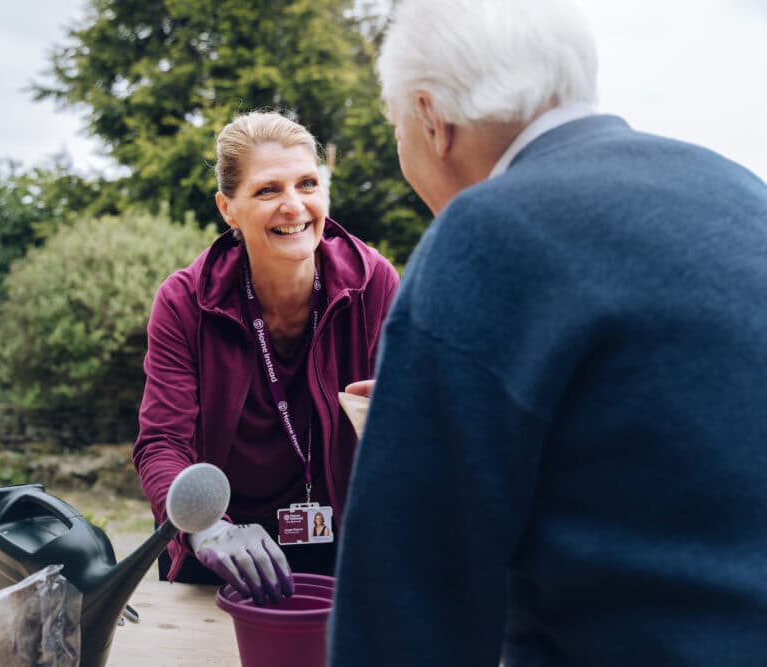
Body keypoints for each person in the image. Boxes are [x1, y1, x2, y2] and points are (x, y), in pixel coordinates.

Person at [329, 0, 767, 665]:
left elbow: (405, 612)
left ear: (430, 118)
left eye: (396, 127)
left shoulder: (484, 231)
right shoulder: (742, 193)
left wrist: (406, 422)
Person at [133, 111, 399, 605]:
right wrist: (206, 529)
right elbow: (161, 445)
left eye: (307, 183)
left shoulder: (373, 282)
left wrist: (405, 414)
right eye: (267, 190)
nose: (294, 206)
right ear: (227, 209)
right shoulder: (184, 301)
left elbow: (416, 440)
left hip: (343, 544)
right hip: (220, 551)